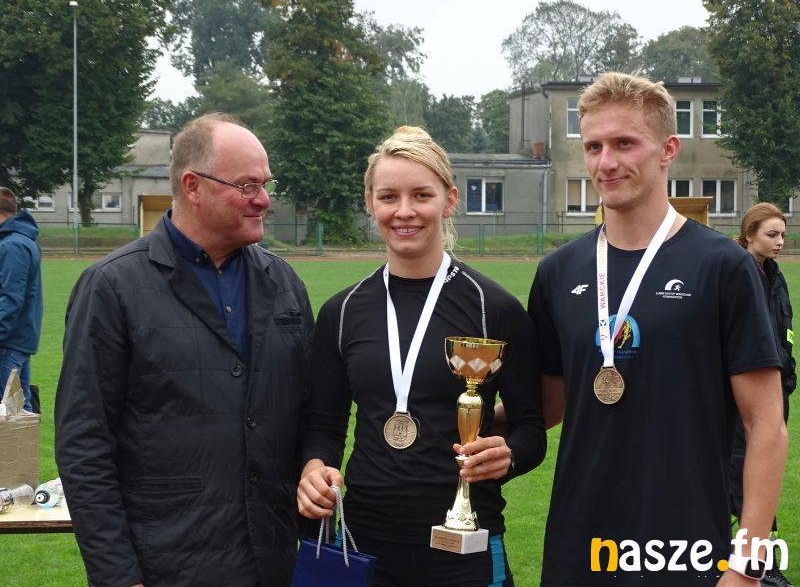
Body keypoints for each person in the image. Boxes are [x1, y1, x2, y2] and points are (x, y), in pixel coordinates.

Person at [527, 72, 787, 586]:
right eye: (594, 146)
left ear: (668, 149)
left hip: (684, 548)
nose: (606, 162)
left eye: (625, 143)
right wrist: (458, 416)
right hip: (578, 546)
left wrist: (749, 564)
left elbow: (766, 424)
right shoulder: (558, 271)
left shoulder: (722, 266)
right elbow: (550, 404)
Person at [54, 113, 314, 586]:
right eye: (248, 185)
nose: (264, 199)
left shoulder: (283, 283)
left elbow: (312, 413)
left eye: (266, 184)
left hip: (271, 561)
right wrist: (118, 576)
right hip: (167, 566)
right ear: (193, 186)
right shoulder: (112, 287)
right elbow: (84, 444)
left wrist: (316, 468)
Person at [296, 126, 546, 586]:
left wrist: (509, 456)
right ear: (370, 203)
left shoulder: (494, 308)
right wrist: (314, 469)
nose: (404, 211)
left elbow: (531, 427)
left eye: (421, 195)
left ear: (449, 200)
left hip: (465, 543)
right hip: (363, 541)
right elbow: (323, 427)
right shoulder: (343, 311)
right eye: (389, 197)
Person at [731, 202, 795, 587]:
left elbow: (783, 332)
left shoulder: (774, 274)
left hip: (775, 392)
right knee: (742, 477)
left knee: (763, 475)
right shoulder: (736, 274)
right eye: (772, 234)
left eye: (783, 234)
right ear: (749, 233)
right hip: (742, 397)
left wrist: (788, 376)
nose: (780, 242)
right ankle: (759, 567)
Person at [0, 186, 43, 412]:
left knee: (8, 414)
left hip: (8, 343)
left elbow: (10, 298)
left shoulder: (13, 245)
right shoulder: (20, 241)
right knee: (18, 412)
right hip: (17, 340)